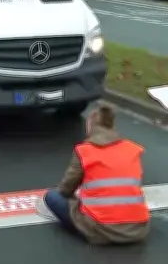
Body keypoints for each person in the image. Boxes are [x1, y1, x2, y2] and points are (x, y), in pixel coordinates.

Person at [38, 104, 149, 245]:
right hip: (137, 229)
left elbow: (66, 190)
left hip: (101, 229)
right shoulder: (131, 149)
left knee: (52, 196)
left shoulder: (85, 151)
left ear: (90, 126)